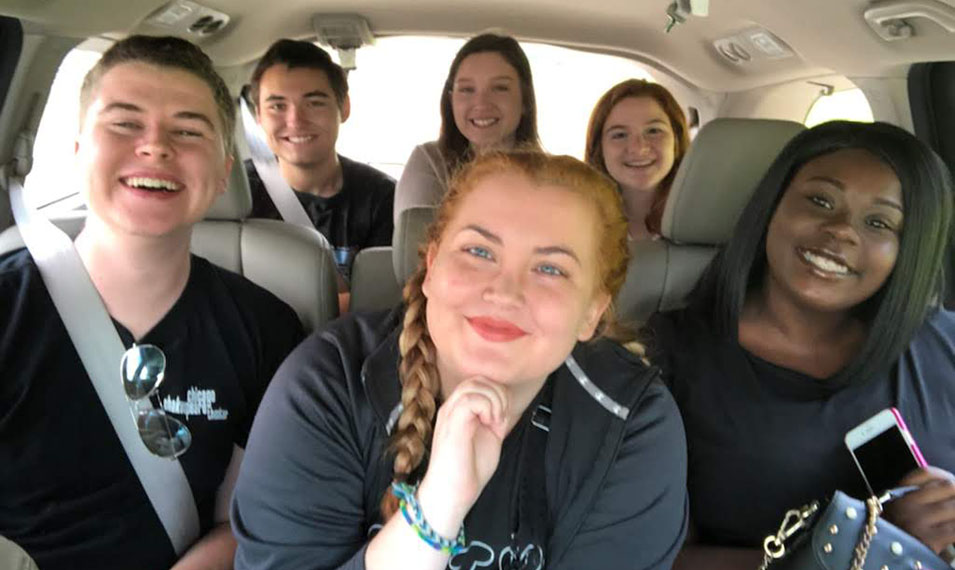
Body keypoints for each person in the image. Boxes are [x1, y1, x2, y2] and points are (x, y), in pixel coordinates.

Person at [232, 150, 688, 570]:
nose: (505, 292)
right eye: (479, 251)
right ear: (431, 267)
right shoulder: (329, 382)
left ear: (591, 312)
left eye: (551, 268)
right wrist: (437, 509)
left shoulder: (632, 419)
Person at [0, 36, 304, 570]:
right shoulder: (8, 308)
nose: (155, 147)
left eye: (188, 131)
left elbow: (242, 521)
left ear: (221, 173)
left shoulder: (265, 328)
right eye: (123, 123)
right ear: (76, 154)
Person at [644, 121, 955, 569]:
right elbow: (654, 558)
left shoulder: (943, 345)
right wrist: (870, 548)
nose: (843, 231)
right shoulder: (666, 357)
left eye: (878, 222)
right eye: (820, 200)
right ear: (772, 205)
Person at [248, 39, 395, 279]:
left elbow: (373, 301)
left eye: (314, 103)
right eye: (277, 106)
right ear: (259, 116)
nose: (295, 120)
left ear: (344, 108)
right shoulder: (234, 196)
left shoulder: (381, 199)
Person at [393, 33, 541, 222]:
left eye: (500, 88)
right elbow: (417, 245)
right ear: (450, 100)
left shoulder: (550, 177)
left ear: (525, 101)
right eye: (467, 89)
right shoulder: (430, 163)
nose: (481, 103)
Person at [585, 79, 690, 240]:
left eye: (653, 131)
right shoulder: (579, 222)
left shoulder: (707, 219)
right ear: (600, 150)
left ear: (676, 141)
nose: (638, 148)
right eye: (620, 135)